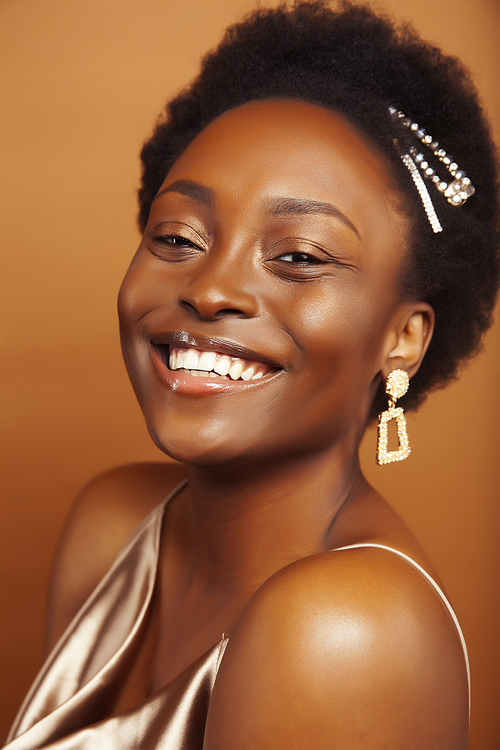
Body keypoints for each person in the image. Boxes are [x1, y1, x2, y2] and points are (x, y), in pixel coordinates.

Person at [5, 1, 499, 748]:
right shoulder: (111, 527)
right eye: (177, 236)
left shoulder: (346, 629)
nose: (209, 290)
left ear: (403, 338)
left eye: (297, 255)